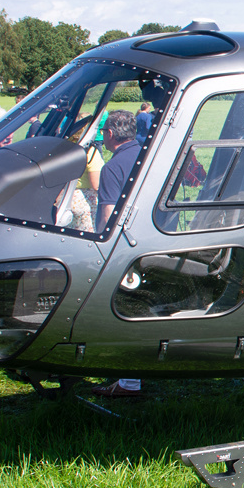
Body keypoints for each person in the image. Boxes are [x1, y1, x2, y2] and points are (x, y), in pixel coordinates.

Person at [92, 109, 145, 399]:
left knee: (125, 309)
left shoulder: (111, 168)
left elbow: (107, 216)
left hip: (126, 248)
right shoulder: (150, 154)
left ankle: (129, 381)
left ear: (110, 135)